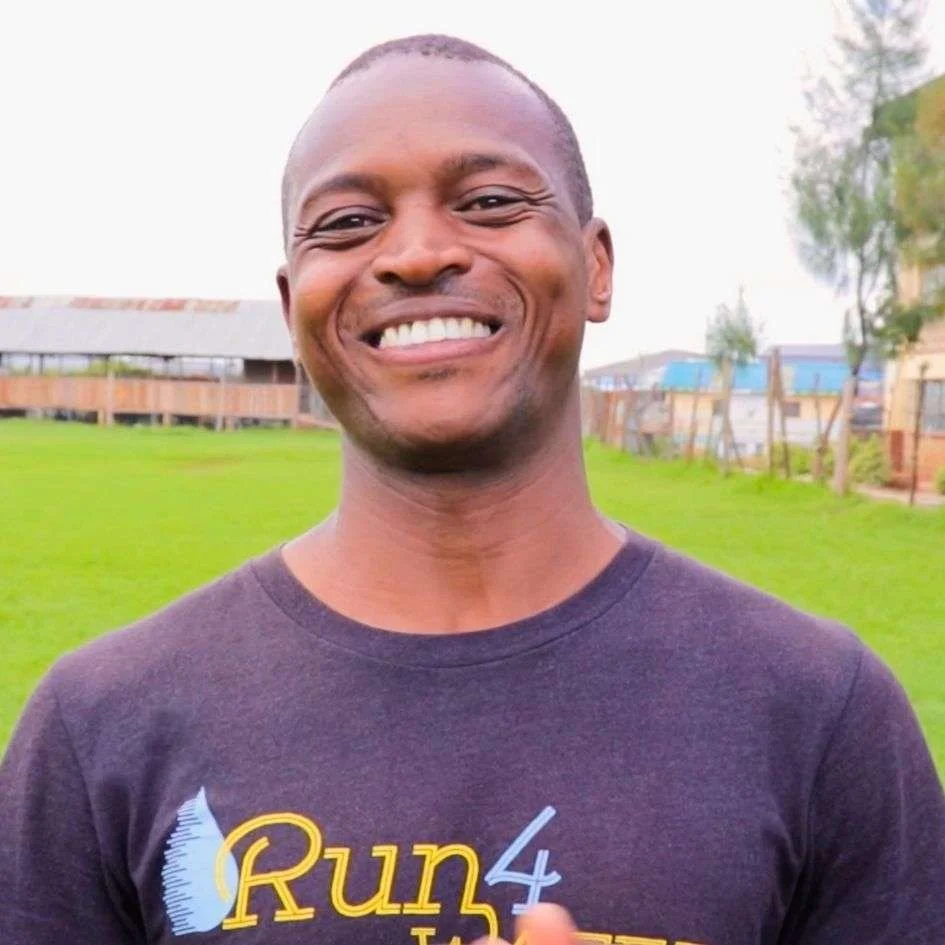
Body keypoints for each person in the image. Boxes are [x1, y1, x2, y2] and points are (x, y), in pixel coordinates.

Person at [1, 33, 943, 945]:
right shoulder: (102, 724)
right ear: (294, 308)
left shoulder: (817, 709)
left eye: (489, 200)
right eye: (348, 222)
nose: (414, 252)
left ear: (595, 266)